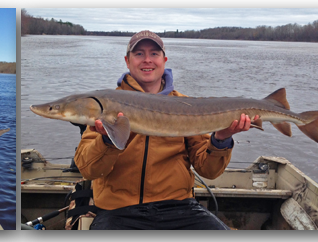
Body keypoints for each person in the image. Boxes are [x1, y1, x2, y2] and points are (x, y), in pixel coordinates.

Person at [73, 30, 255, 230]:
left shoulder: (186, 106)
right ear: (127, 60)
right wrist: (107, 141)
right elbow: (89, 170)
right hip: (118, 210)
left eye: (154, 54)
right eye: (139, 54)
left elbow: (208, 171)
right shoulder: (105, 104)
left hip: (179, 207)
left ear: (164, 59)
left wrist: (221, 139)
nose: (147, 60)